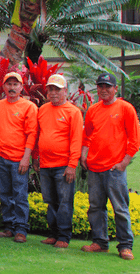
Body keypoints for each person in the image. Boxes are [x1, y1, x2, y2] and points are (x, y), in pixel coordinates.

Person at [80, 73, 140, 260]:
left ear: (115, 89)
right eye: (100, 86)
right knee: (96, 207)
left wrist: (124, 163)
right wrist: (84, 154)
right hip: (95, 168)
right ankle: (100, 243)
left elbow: (135, 139)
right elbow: (87, 135)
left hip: (114, 170)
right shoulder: (93, 110)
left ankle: (125, 246)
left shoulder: (125, 108)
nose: (104, 90)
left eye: (108, 86)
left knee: (120, 208)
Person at [33, 74, 83, 249]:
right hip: (46, 165)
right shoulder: (43, 110)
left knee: (64, 202)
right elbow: (39, 135)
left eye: (57, 89)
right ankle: (53, 234)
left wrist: (72, 165)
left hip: (63, 166)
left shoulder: (73, 112)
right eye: (51, 89)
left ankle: (63, 236)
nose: (53, 93)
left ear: (65, 91)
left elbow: (77, 140)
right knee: (51, 201)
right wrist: (36, 157)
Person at [0, 72, 37, 243]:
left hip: (19, 158)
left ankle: (21, 229)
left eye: (15, 84)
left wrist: (27, 157)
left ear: (21, 87)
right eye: (8, 84)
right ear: (3, 87)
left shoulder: (29, 107)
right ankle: (9, 227)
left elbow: (32, 134)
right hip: (1, 156)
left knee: (19, 195)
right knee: (5, 194)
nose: (12, 88)